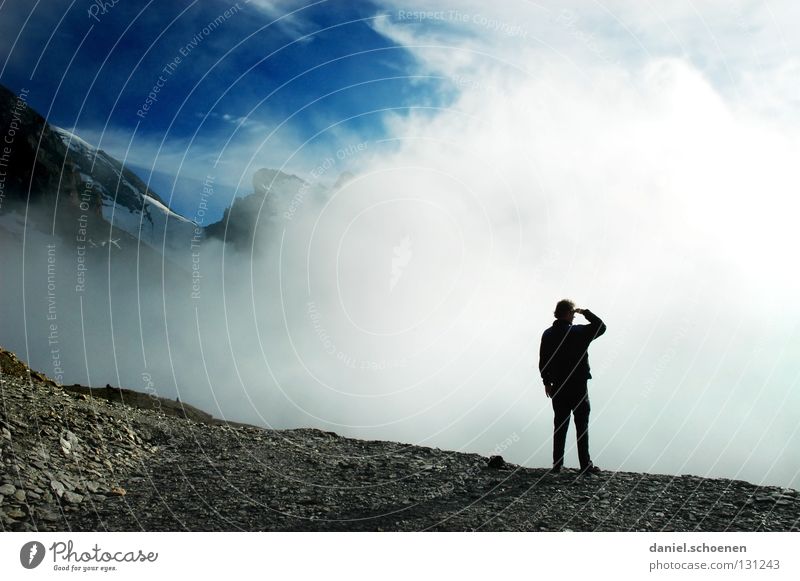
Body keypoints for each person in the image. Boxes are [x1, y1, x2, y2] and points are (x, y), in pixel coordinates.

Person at [539, 299, 606, 475]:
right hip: (578, 385)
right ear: (569, 313)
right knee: (581, 424)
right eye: (574, 314)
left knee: (560, 424)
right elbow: (601, 326)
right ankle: (585, 465)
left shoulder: (548, 334)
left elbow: (543, 361)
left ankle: (557, 465)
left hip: (558, 386)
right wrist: (585, 312)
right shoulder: (579, 332)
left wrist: (546, 382)